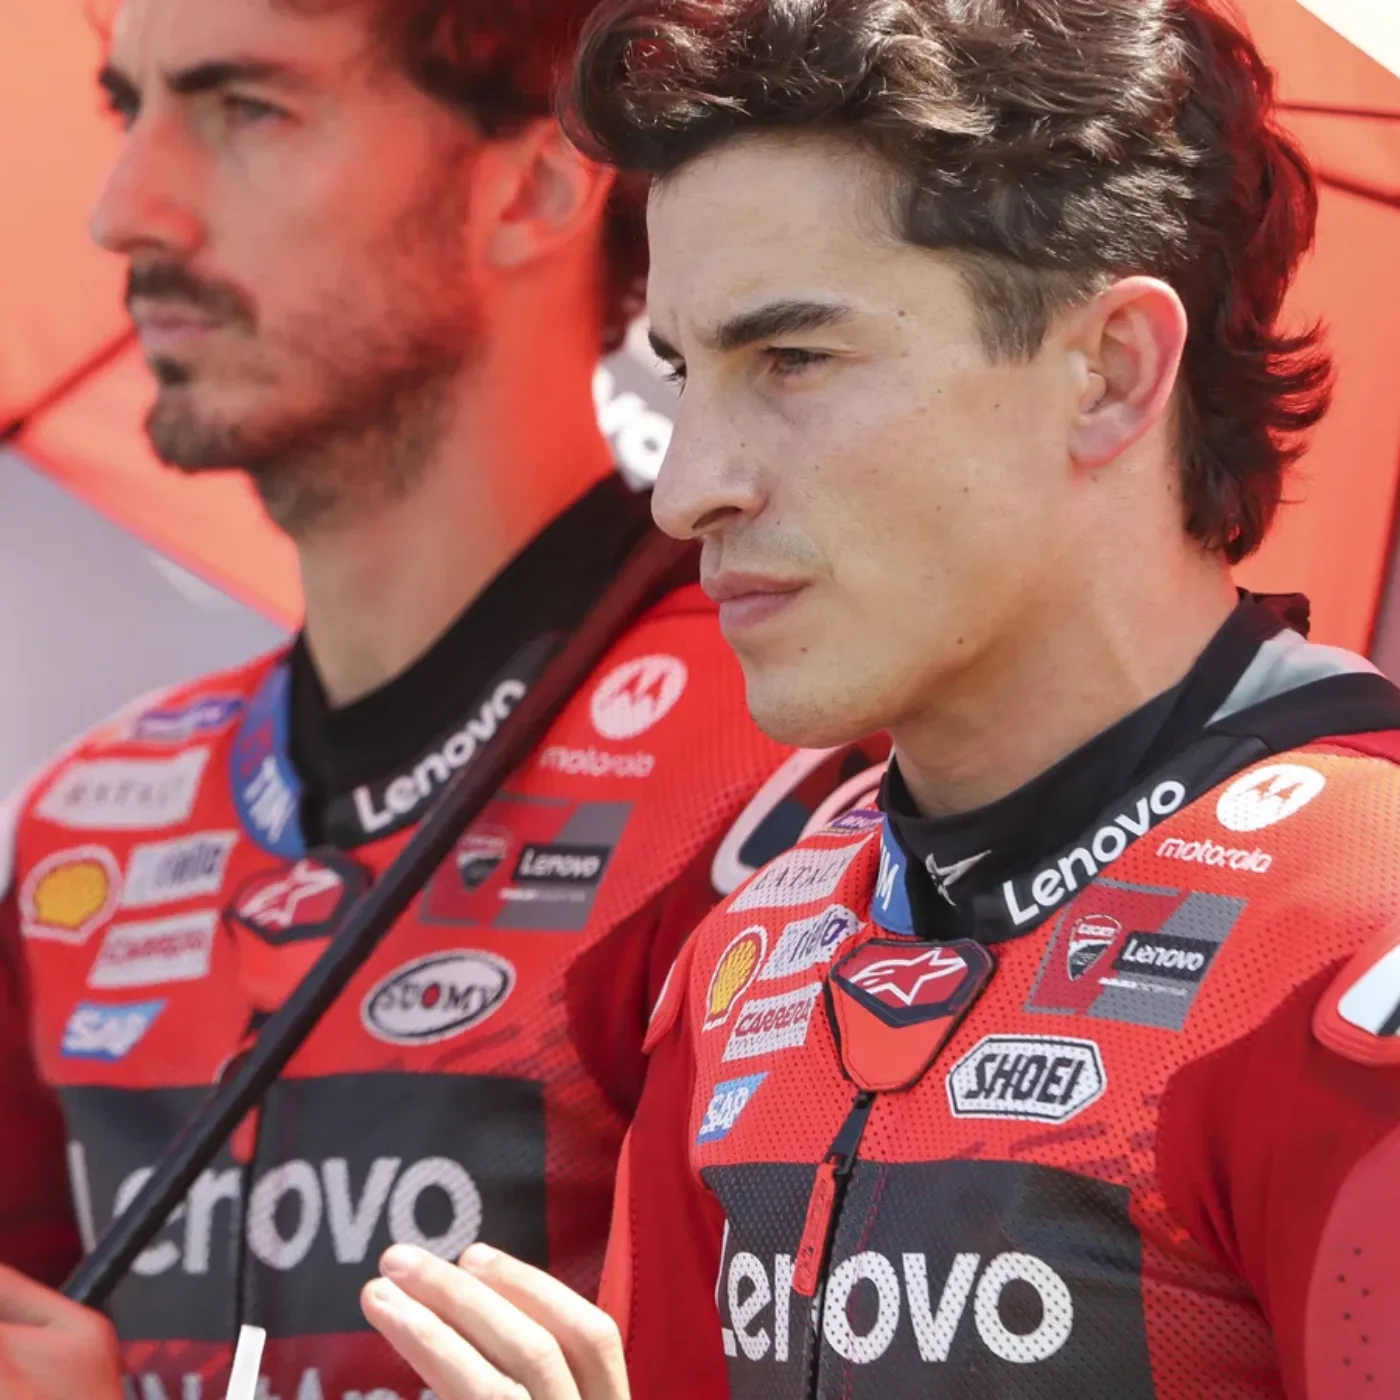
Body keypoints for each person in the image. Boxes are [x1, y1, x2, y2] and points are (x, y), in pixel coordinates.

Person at [322, 0, 1400, 1397]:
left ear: (1111, 373)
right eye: (683, 373)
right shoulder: (749, 956)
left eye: (793, 359)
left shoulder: (1354, 923)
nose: (685, 487)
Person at [0, 0, 888, 1395]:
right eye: (129, 110)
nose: (126, 210)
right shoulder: (88, 821)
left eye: (247, 109)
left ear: (532, 188)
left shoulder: (788, 758)